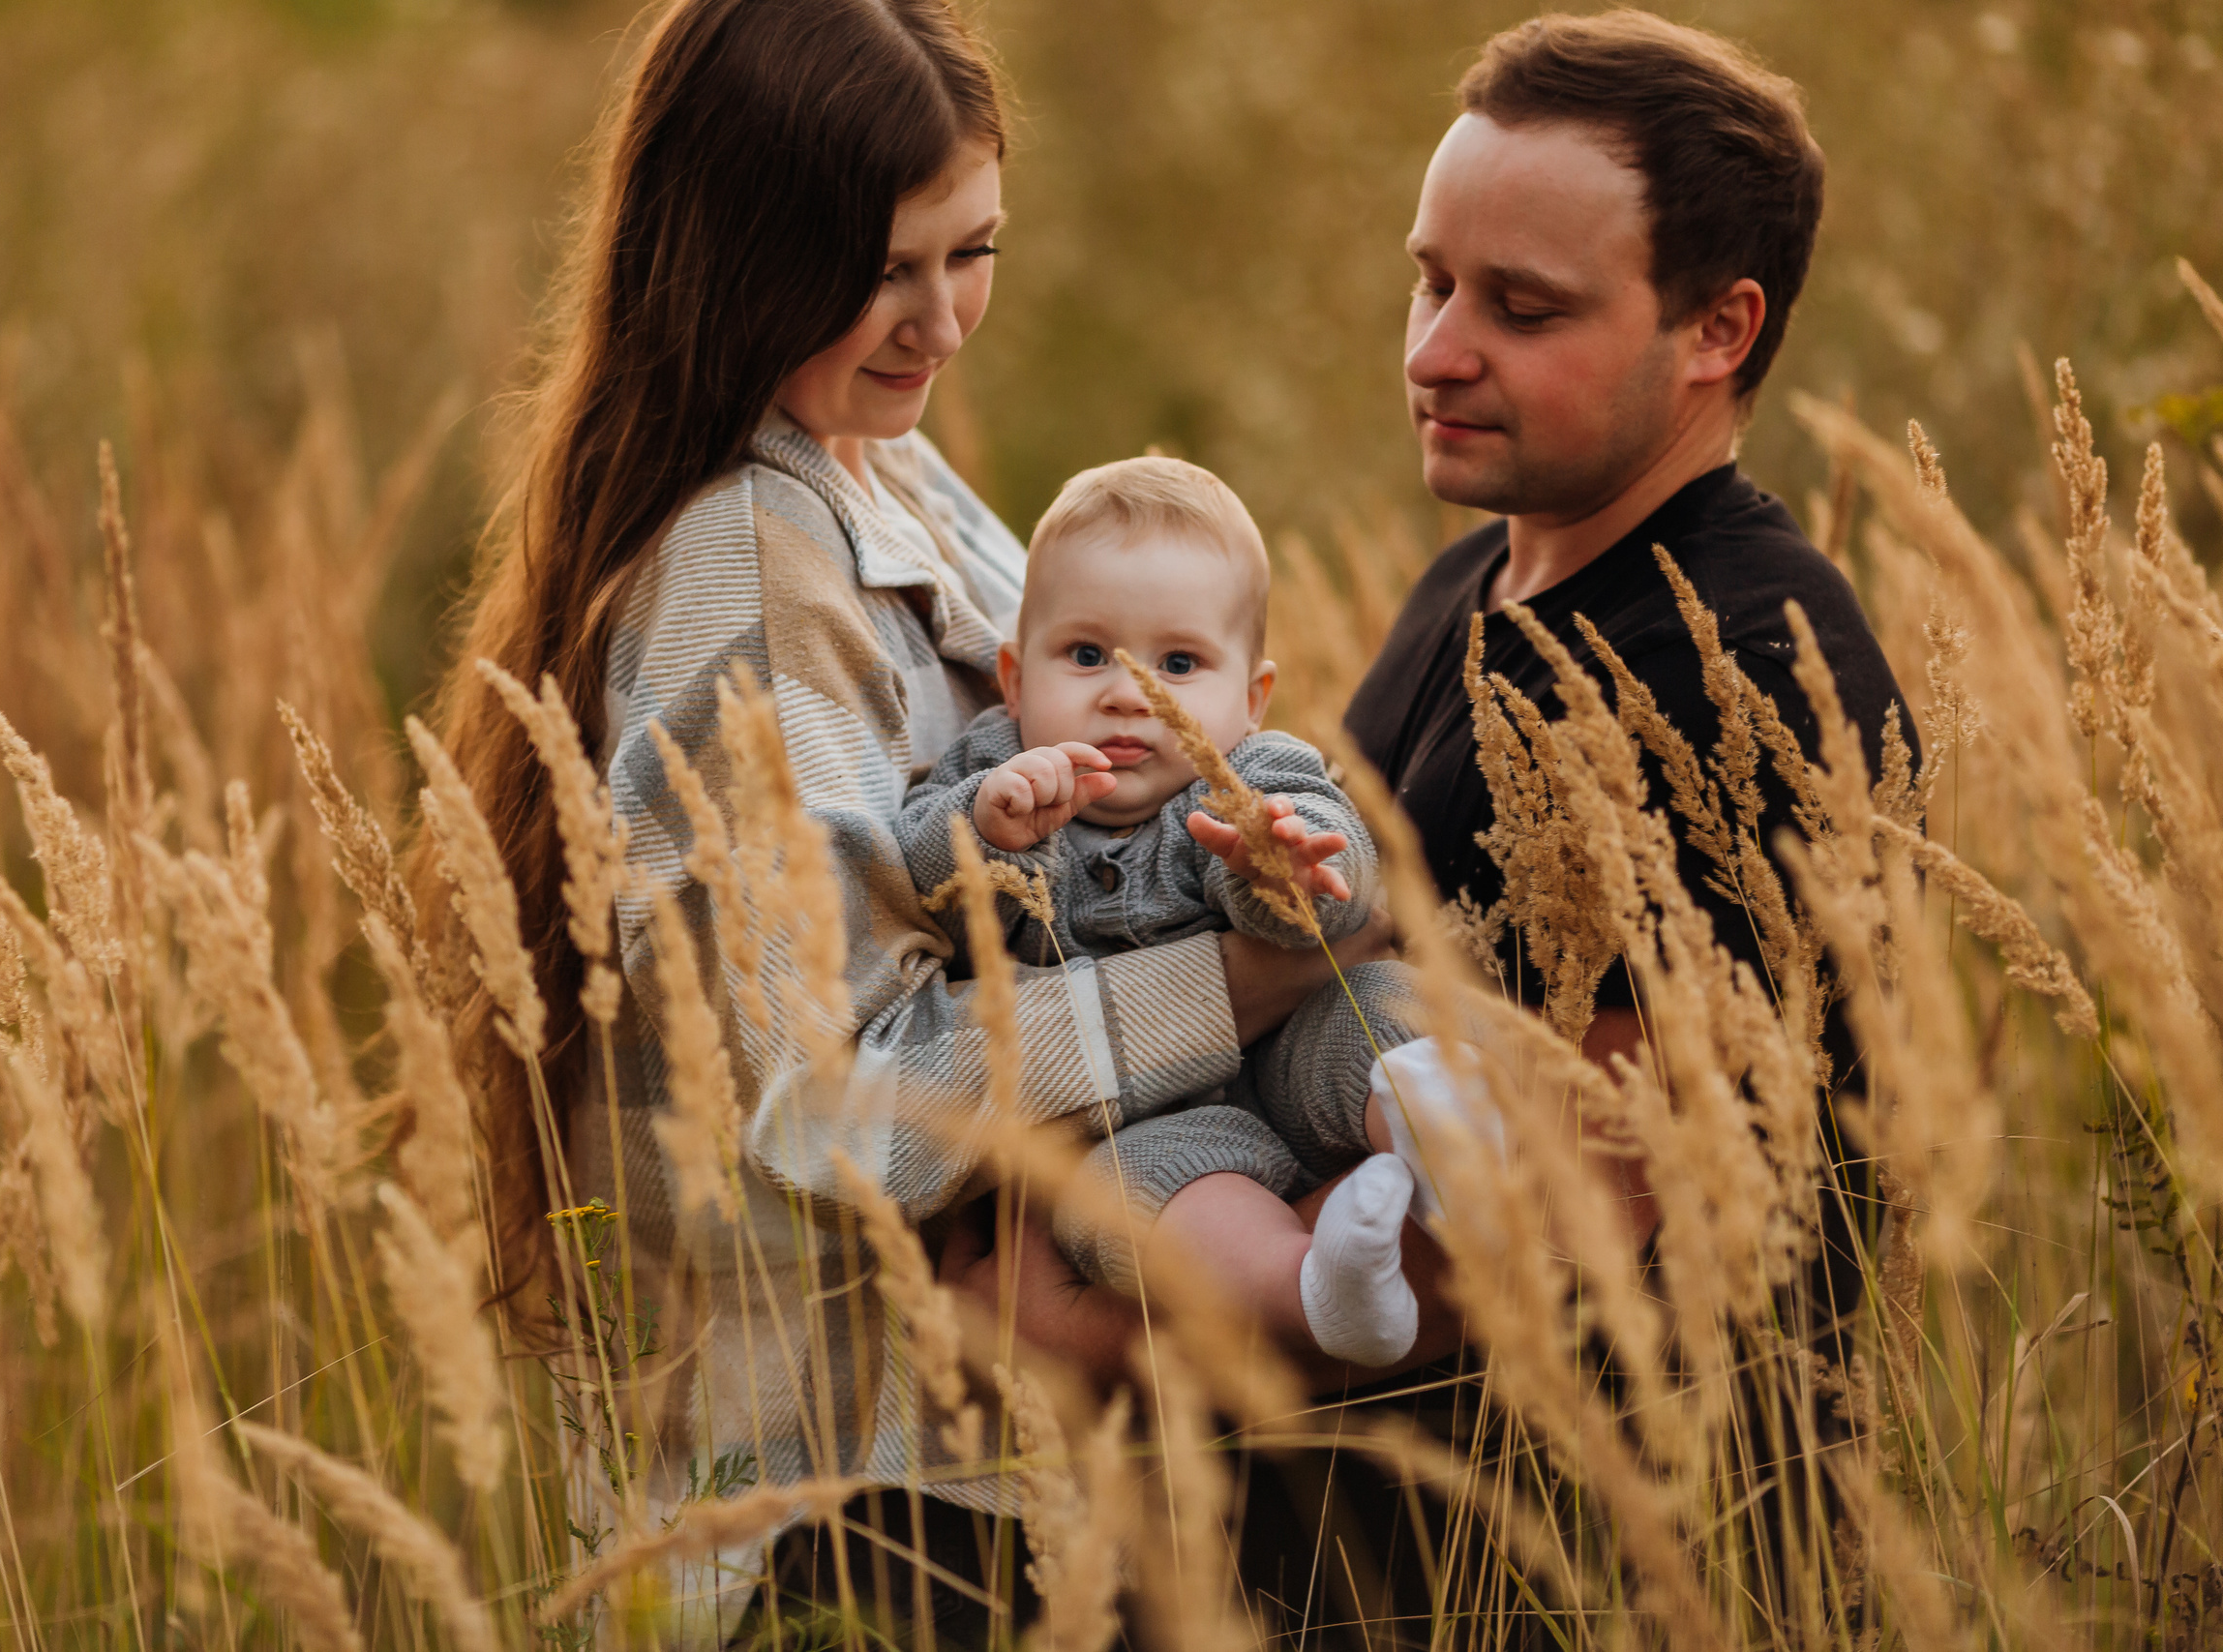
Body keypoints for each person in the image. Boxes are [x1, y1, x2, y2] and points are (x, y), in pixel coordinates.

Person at [415, 2, 1390, 1645]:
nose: (941, 321)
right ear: (738, 256)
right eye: (884, 270)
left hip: (983, 1474)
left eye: (974, 250)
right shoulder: (752, 566)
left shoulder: (893, 474)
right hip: (852, 1506)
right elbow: (819, 1095)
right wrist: (1229, 994)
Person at [1240, 13, 1914, 1647]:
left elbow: (1559, 1218)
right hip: (1354, 1563)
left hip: (1589, 1579)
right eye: (1431, 280)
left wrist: (1097, 1285)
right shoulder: (1477, 581)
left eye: (1520, 307)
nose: (1433, 348)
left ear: (1717, 329)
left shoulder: (1755, 664)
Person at [894, 455, 1489, 1367]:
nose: (1129, 693)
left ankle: (1454, 1141)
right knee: (1141, 1203)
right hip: (1139, 1124)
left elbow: (1339, 875)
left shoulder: (1251, 772)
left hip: (1291, 1057)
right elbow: (916, 861)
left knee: (1380, 1003)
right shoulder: (995, 770)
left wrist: (1281, 866)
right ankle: (1319, 1288)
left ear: (1251, 700)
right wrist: (983, 825)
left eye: (1177, 663)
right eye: (1086, 655)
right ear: (1014, 681)